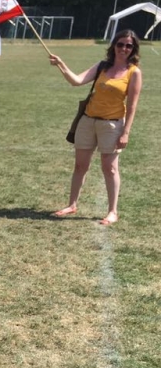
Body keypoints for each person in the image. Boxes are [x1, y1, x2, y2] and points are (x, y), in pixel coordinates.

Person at [48, 30, 142, 226]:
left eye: (128, 45)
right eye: (120, 44)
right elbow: (77, 81)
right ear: (114, 46)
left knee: (110, 169)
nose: (124, 48)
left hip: (112, 124)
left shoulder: (134, 72)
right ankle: (72, 204)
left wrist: (125, 132)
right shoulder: (102, 66)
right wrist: (61, 64)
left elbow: (132, 106)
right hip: (88, 121)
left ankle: (112, 211)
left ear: (133, 49)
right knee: (80, 166)